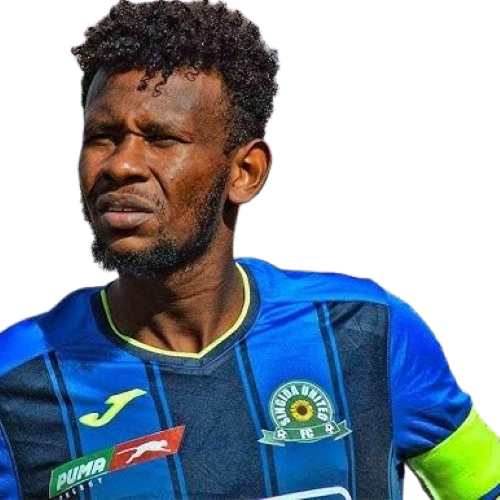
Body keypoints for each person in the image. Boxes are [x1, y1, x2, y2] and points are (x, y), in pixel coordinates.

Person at [0, 0, 498, 498]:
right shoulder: (15, 378)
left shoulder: (368, 331)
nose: (120, 165)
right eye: (101, 137)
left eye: (161, 138)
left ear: (245, 173)